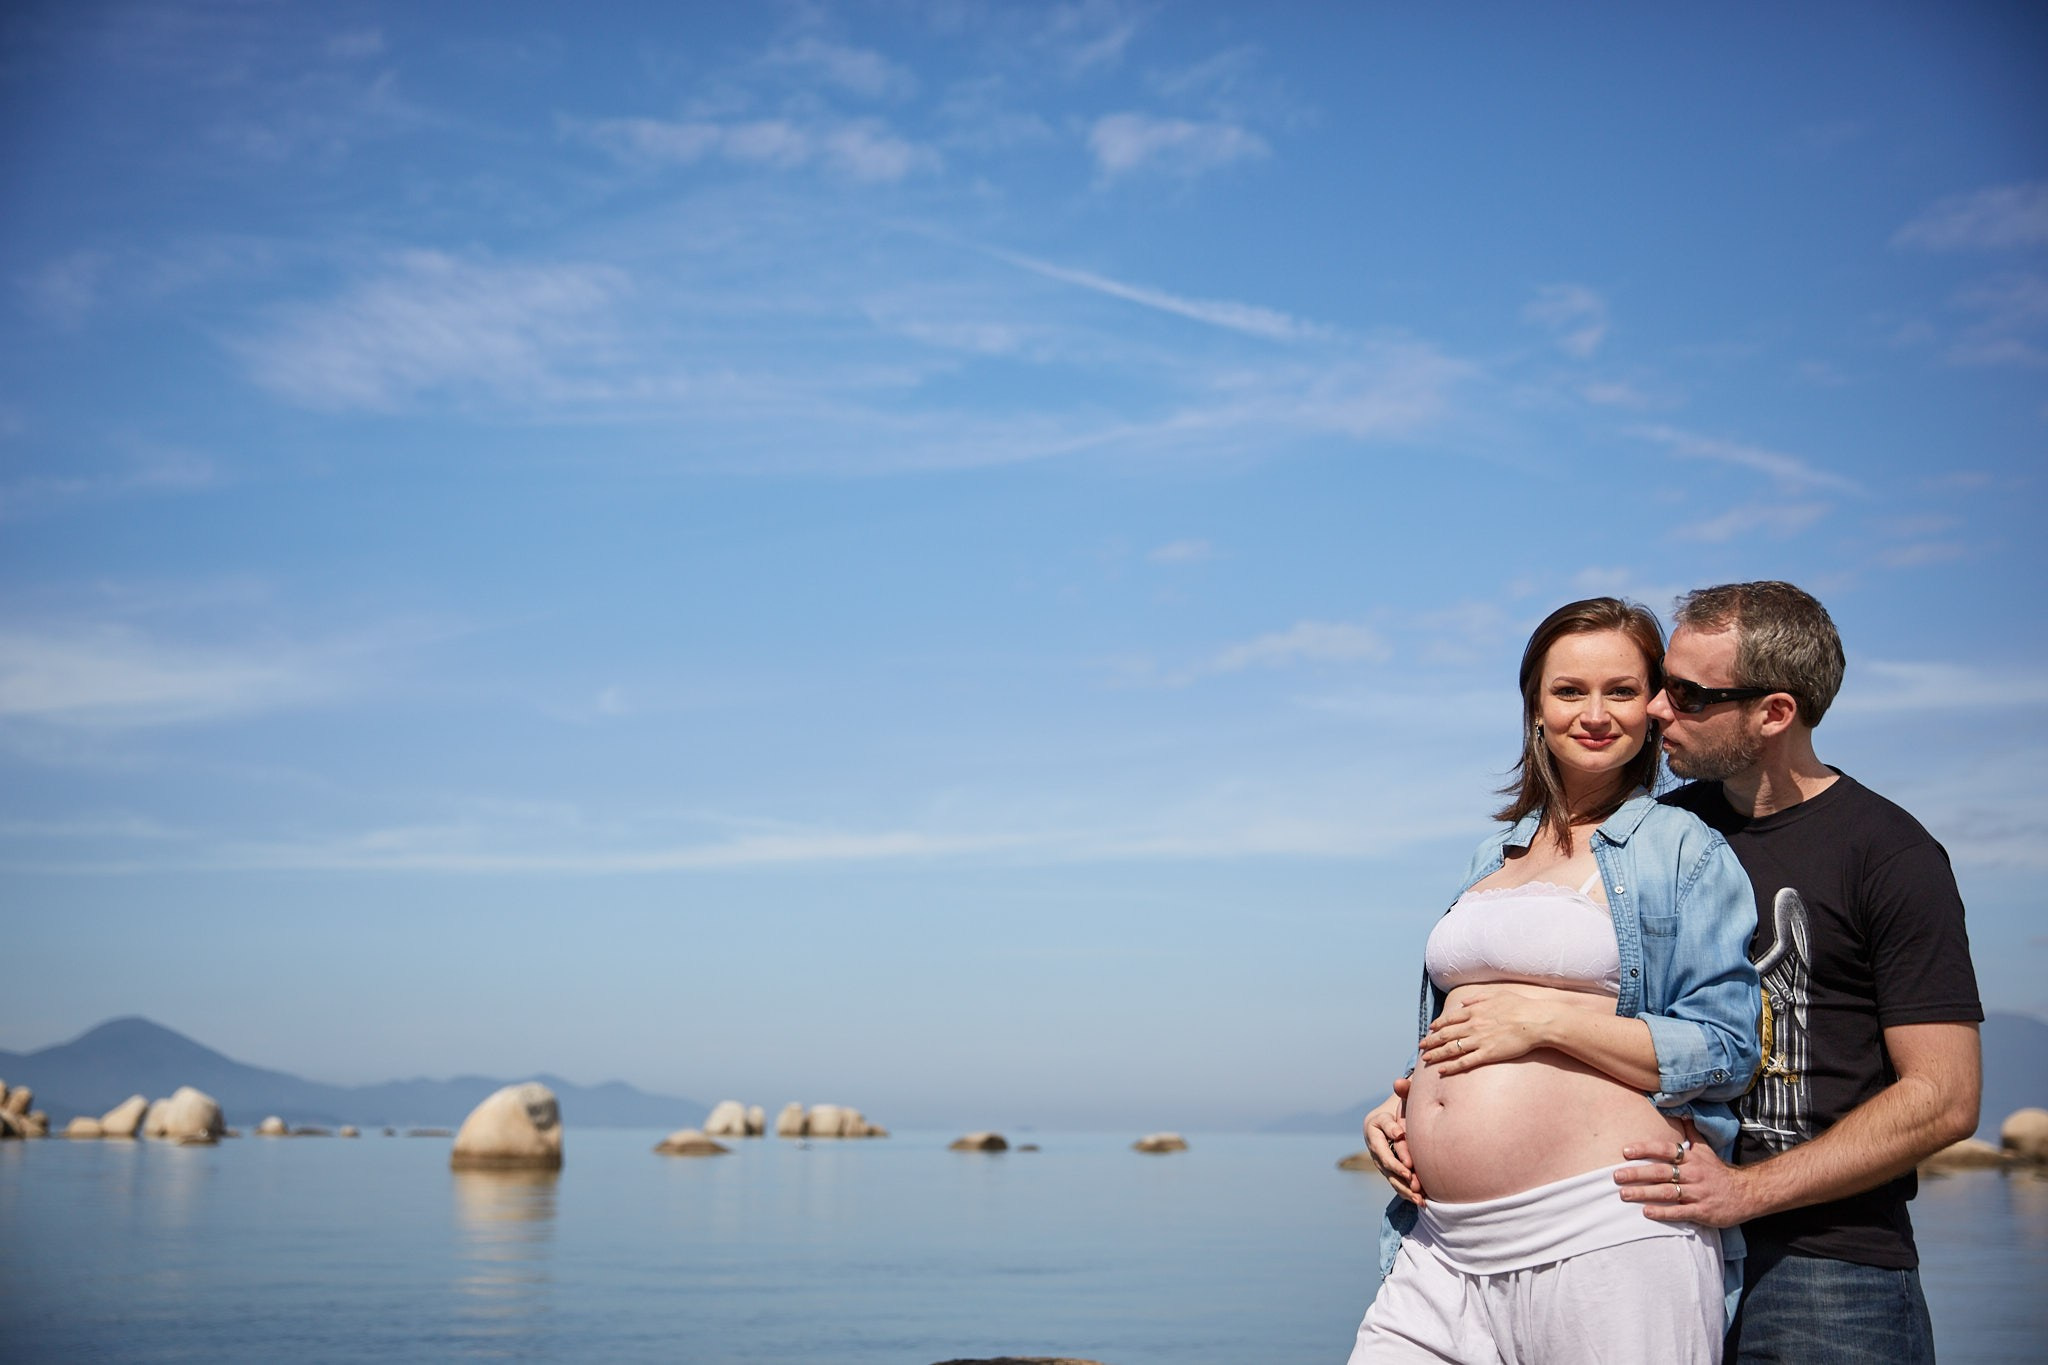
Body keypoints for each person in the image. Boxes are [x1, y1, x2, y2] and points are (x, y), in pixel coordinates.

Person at [1349, 597, 1761, 1364]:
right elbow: (1472, 1020)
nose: (1596, 713)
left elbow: (1728, 1046)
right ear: (1535, 707)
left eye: (1621, 690)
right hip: (1441, 1239)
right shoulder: (1490, 856)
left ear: (1653, 706)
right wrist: (1405, 1095)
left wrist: (1547, 1023)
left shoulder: (1680, 848)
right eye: (1570, 690)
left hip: (1605, 1229)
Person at [1612, 581, 1982, 1364]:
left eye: (1688, 693)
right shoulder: (1662, 838)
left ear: (1774, 712)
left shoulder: (1890, 853)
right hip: (1661, 1257)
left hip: (1830, 1273)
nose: (1654, 710)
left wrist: (1745, 1192)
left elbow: (1944, 1098)